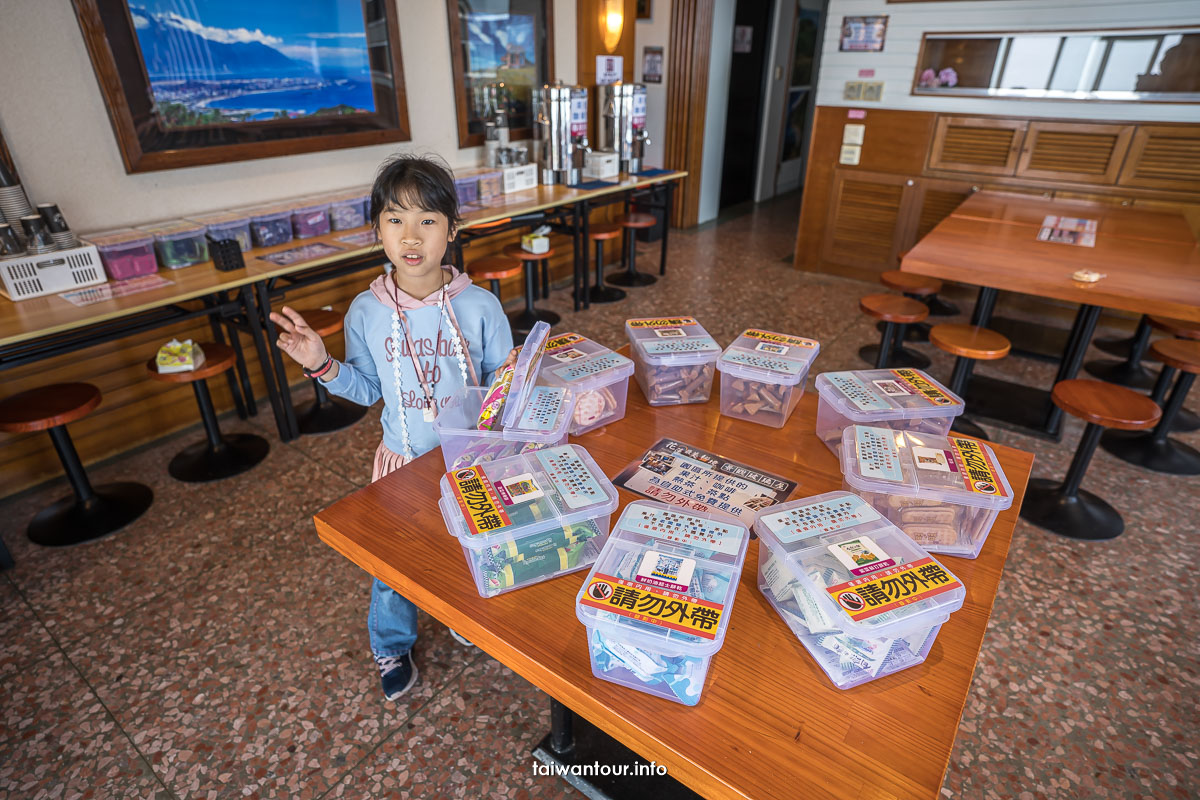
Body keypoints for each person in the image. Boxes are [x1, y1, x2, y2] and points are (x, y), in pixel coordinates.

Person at [269, 154, 513, 700]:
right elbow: (366, 389)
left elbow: (504, 380)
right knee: (393, 564)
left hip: (468, 459)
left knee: (465, 544)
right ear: (376, 229)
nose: (411, 235)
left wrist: (508, 408)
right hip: (401, 461)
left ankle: (457, 612)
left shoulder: (480, 306)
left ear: (452, 229)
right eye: (395, 218)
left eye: (428, 220)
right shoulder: (365, 311)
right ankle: (392, 640)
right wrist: (318, 363)